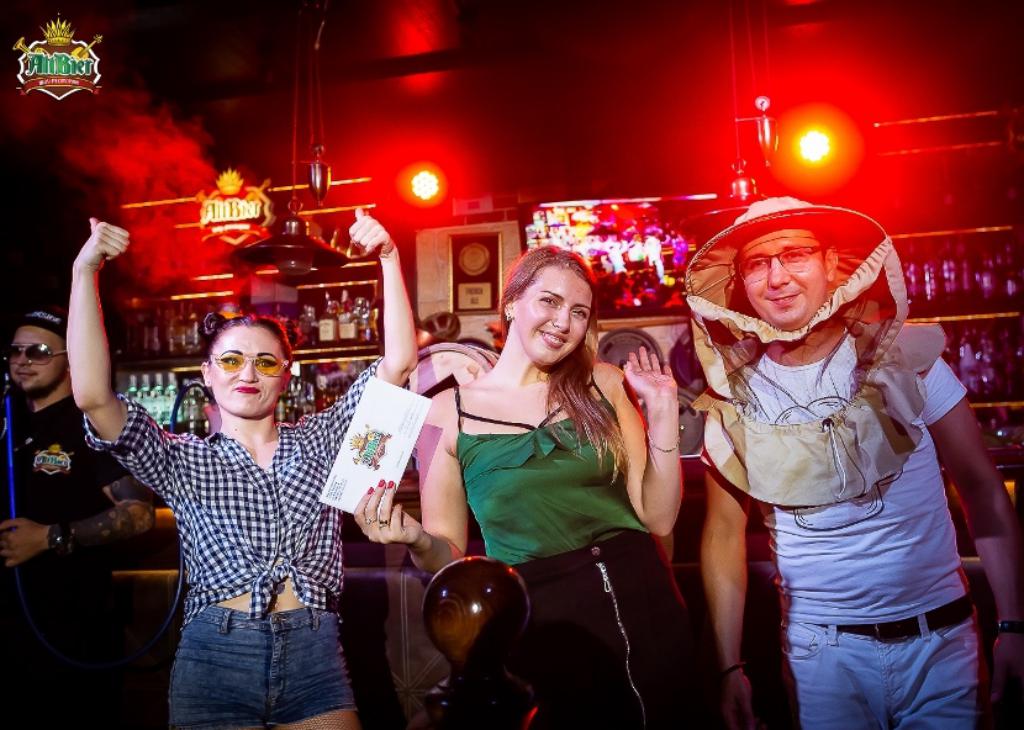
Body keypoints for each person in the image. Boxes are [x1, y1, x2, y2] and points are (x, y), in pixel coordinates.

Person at [69, 210, 417, 729]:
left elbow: (399, 365)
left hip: (315, 655)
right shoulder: (183, 459)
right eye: (231, 360)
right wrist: (85, 271)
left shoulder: (321, 439)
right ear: (207, 374)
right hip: (216, 659)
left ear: (287, 375)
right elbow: (93, 396)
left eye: (266, 362)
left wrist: (389, 256)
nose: (248, 373)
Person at [686, 196, 1024, 728]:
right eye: (757, 263)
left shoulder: (906, 359)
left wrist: (1015, 626)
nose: (777, 277)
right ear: (741, 285)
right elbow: (723, 534)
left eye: (795, 254)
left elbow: (981, 489)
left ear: (830, 264)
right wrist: (728, 667)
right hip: (821, 657)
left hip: (940, 643)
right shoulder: (733, 398)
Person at [357, 245, 695, 729]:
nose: (563, 322)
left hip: (644, 599)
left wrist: (661, 414)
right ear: (512, 303)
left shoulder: (603, 383)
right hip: (542, 620)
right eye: (549, 301)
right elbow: (448, 555)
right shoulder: (446, 414)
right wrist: (416, 540)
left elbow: (658, 518)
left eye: (579, 312)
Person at [0, 305, 155, 726]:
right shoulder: (9, 421)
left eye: (38, 352)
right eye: (15, 351)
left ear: (70, 360)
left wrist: (50, 536)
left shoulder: (90, 426)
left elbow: (139, 513)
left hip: (72, 626)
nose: (22, 361)